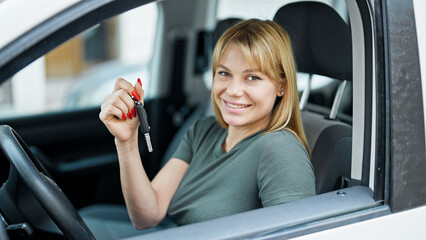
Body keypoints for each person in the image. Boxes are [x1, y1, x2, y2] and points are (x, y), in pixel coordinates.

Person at [99, 18, 315, 232]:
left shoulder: (280, 149)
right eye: (224, 73)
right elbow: (147, 216)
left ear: (282, 86)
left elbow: (296, 236)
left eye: (252, 78)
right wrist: (126, 141)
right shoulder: (202, 131)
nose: (233, 90)